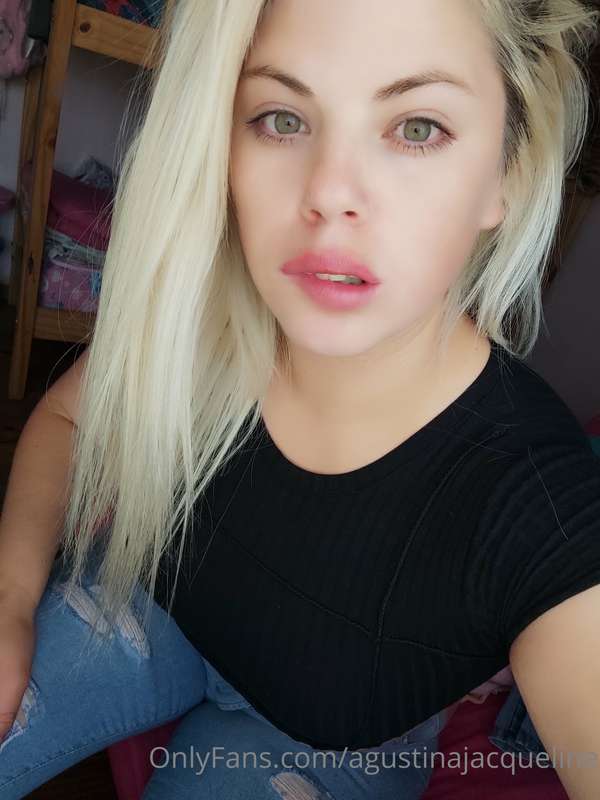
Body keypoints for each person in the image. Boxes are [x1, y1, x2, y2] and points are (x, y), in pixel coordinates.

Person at [1, 0, 599, 797]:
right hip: (157, 612)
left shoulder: (542, 504)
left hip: (338, 748)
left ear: (507, 175)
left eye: (417, 127)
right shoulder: (214, 331)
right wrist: (9, 597)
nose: (328, 193)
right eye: (282, 118)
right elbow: (69, 414)